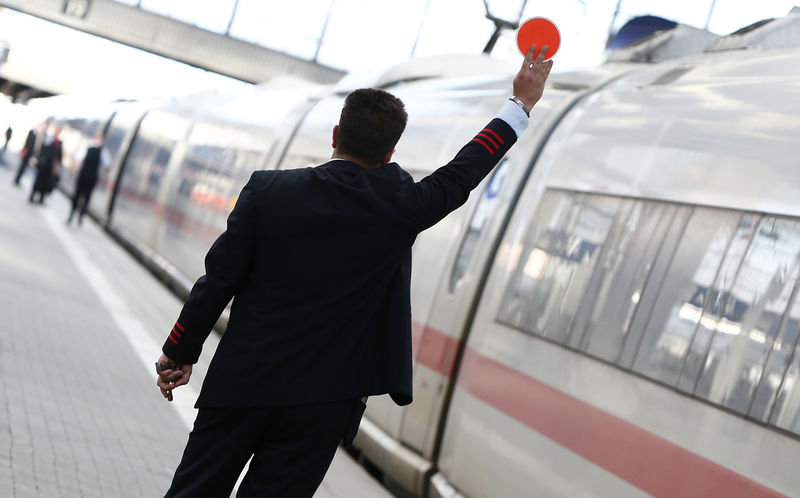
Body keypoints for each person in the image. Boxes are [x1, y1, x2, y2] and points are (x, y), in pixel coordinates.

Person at [155, 45, 553, 497]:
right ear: (390, 153)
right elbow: (463, 172)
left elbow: (218, 281)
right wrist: (519, 105)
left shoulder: (268, 193)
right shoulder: (403, 207)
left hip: (242, 384)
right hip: (322, 406)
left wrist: (180, 350)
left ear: (335, 134)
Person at [67, 134, 110, 225]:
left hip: (87, 176)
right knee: (83, 196)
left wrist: (73, 171)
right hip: (89, 176)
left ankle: (77, 215)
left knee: (81, 196)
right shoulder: (102, 151)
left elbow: (77, 161)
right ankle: (77, 215)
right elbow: (107, 166)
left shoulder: (96, 150)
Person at [29, 124, 62, 204]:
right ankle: (32, 195)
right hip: (43, 164)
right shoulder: (49, 138)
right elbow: (42, 148)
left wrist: (56, 167)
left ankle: (41, 198)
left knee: (46, 182)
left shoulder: (59, 143)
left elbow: (59, 156)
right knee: (38, 180)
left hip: (50, 167)